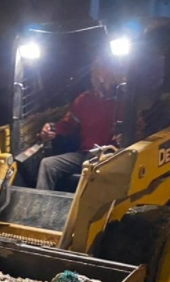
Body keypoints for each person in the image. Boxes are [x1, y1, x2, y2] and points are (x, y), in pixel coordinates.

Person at [36, 62, 118, 191]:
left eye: (105, 76)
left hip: (114, 157)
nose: (101, 80)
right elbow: (66, 125)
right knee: (48, 164)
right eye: (96, 76)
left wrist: (127, 137)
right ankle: (40, 206)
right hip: (86, 155)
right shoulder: (84, 100)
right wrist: (50, 130)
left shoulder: (126, 101)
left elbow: (137, 131)